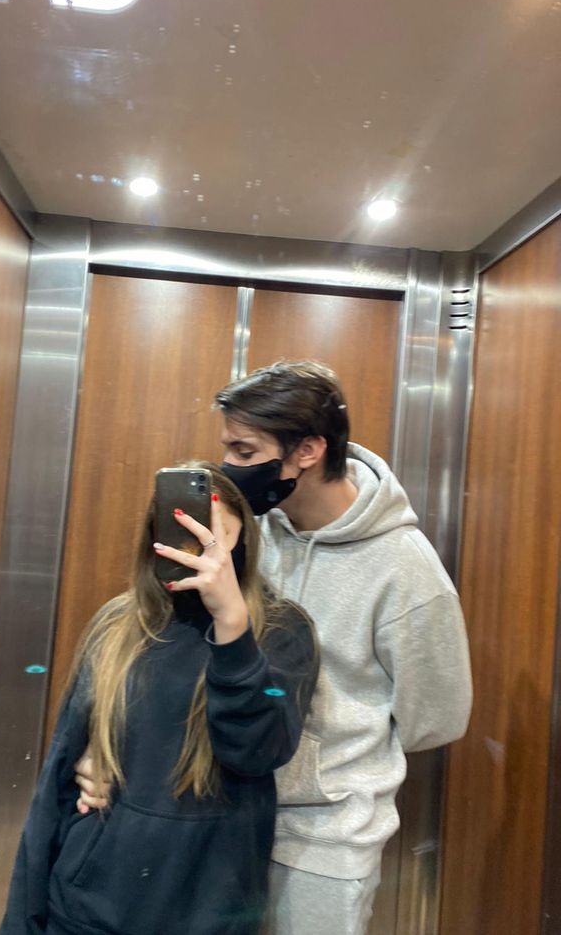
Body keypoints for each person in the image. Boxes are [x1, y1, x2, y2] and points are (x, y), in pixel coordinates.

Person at [0, 461, 319, 935]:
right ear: (155, 534)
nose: (197, 549)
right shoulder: (118, 625)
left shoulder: (280, 631)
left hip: (209, 913)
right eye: (179, 530)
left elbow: (259, 751)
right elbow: (57, 786)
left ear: (241, 540)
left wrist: (232, 628)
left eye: (213, 535)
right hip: (87, 907)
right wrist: (22, 922)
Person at [214, 360, 473, 935]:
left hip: (324, 844)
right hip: (224, 818)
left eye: (244, 450)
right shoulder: (253, 533)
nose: (230, 467)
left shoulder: (405, 566)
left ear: (307, 450)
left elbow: (437, 717)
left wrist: (330, 745)